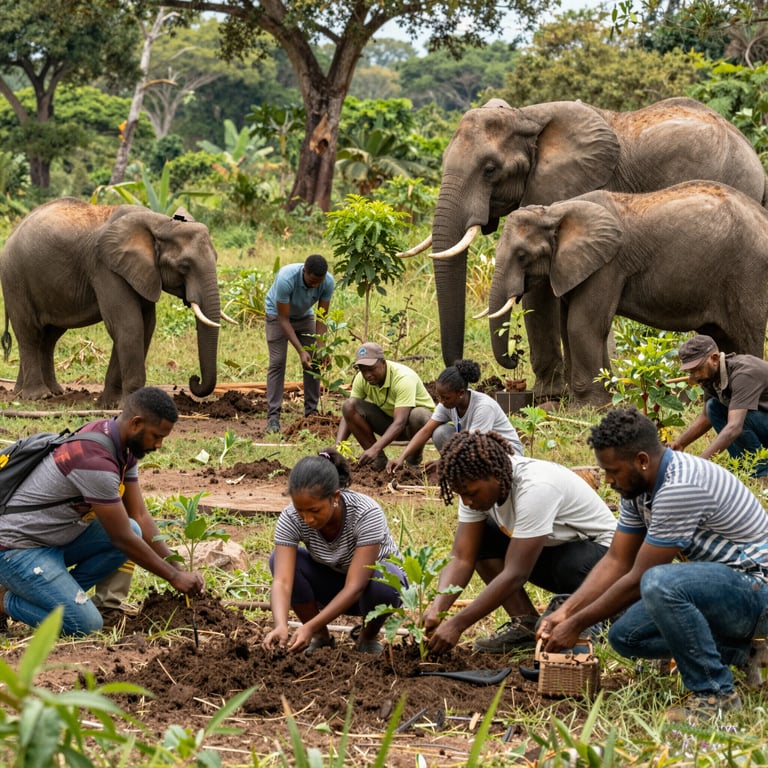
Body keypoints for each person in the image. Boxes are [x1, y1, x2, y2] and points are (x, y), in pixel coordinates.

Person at [538, 406, 768, 720]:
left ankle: (716, 696)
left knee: (658, 582)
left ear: (642, 461)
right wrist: (567, 611)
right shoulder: (637, 488)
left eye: (612, 471)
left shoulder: (680, 486)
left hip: (756, 589)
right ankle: (747, 653)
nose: (607, 480)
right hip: (724, 589)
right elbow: (617, 560)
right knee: (625, 636)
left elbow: (639, 577)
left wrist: (575, 625)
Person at [0, 387, 205, 636]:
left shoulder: (120, 446)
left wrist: (178, 567)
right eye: (156, 436)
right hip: (18, 549)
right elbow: (121, 538)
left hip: (55, 540)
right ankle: (5, 602)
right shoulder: (94, 459)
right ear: (136, 423)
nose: (159, 444)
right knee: (85, 625)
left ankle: (53, 597)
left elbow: (139, 515)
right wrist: (173, 577)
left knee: (134, 528)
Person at [423, 430, 616, 655]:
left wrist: (457, 624)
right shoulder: (473, 485)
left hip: (605, 561)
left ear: (494, 474)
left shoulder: (536, 487)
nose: (467, 501)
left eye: (471, 493)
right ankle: (524, 623)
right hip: (557, 550)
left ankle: (598, 618)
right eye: (461, 495)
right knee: (481, 538)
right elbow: (462, 556)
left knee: (570, 564)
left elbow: (516, 573)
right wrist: (438, 608)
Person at [262, 448, 406, 654]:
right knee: (278, 560)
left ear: (335, 497)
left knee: (384, 579)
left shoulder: (366, 513)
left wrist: (307, 627)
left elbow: (356, 585)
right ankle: (321, 637)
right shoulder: (291, 517)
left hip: (372, 590)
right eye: (300, 510)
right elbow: (282, 581)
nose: (307, 519)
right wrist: (281, 624)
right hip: (334, 585)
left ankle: (367, 636)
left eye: (314, 511)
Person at [386, 359, 524, 475]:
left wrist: (444, 463)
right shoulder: (448, 404)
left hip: (507, 454)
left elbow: (474, 446)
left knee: (465, 449)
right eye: (439, 397)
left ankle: (463, 473)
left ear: (461, 393)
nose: (441, 401)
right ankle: (462, 472)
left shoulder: (483, 407)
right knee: (440, 432)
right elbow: (425, 431)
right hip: (477, 450)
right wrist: (401, 458)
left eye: (445, 397)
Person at [670, 334, 768, 477]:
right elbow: (706, 417)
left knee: (738, 417)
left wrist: (700, 463)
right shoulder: (711, 376)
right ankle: (744, 467)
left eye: (697, 369)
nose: (694, 376)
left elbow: (734, 428)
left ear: (714, 359)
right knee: (713, 407)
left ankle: (761, 472)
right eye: (690, 372)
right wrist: (680, 443)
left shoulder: (744, 374)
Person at [336, 342, 434, 471]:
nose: (367, 375)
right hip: (390, 422)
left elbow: (400, 422)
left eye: (371, 369)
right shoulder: (362, 378)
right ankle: (378, 460)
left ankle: (412, 461)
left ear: (383, 363)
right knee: (349, 405)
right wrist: (337, 449)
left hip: (416, 426)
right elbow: (348, 414)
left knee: (418, 415)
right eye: (363, 370)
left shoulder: (403, 378)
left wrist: (375, 448)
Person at [265, 254, 335, 434]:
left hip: (304, 316)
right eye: (311, 282)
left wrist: (321, 347)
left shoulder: (327, 282)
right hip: (277, 316)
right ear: (304, 271)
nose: (315, 286)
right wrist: (300, 350)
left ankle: (311, 414)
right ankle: (273, 417)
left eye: (318, 283)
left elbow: (321, 317)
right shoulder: (286, 279)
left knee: (314, 360)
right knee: (277, 362)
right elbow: (283, 319)